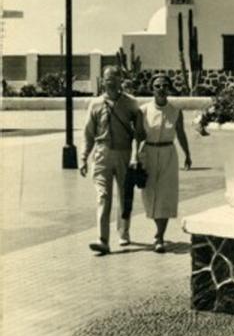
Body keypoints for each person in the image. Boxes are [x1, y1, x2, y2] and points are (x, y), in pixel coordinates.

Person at [80, 66, 145, 255]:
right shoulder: (95, 104)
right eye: (108, 80)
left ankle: (124, 231)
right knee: (103, 196)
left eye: (115, 80)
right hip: (102, 154)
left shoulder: (131, 104)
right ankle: (103, 239)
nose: (111, 83)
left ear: (121, 81)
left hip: (124, 154)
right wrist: (83, 158)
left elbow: (139, 134)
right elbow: (88, 134)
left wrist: (136, 155)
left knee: (125, 196)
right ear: (103, 81)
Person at [135, 74, 192, 253]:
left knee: (166, 195)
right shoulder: (143, 111)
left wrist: (187, 154)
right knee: (150, 193)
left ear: (169, 88)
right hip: (148, 153)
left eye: (164, 85)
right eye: (157, 86)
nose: (161, 89)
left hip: (168, 154)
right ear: (152, 89)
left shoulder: (175, 111)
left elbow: (181, 133)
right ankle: (158, 229)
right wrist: (135, 157)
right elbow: (138, 135)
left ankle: (159, 236)